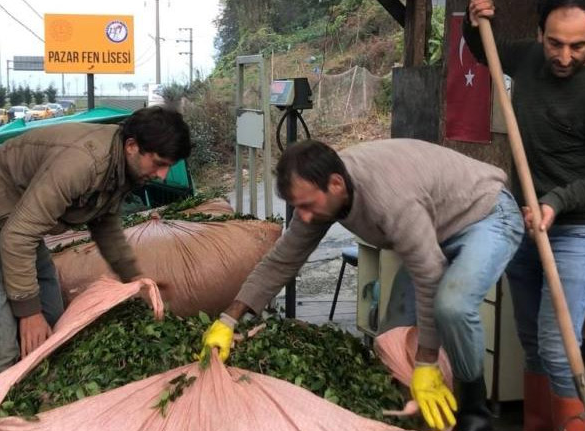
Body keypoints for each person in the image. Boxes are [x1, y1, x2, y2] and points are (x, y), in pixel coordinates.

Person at [200, 139, 524, 431]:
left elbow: (429, 274)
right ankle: (417, 420)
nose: (305, 217)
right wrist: (228, 320)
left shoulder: (390, 198)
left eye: (308, 205)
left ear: (336, 184)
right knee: (393, 339)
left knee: (451, 307)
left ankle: (474, 411)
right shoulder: (323, 193)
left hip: (486, 214)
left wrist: (426, 363)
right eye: (298, 206)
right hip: (433, 232)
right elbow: (282, 259)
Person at [0, 106, 191, 424]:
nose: (162, 175)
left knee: (55, 329)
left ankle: (29, 418)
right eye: (159, 164)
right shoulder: (84, 163)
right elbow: (16, 237)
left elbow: (105, 226)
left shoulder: (122, 167)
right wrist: (27, 312)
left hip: (18, 228)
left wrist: (137, 280)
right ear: (132, 146)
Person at [465, 1, 585, 429]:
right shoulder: (527, 57)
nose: (565, 56)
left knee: (559, 348)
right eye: (555, 43)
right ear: (539, 35)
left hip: (576, 231)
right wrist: (473, 19)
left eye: (578, 46)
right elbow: (483, 50)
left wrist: (554, 202)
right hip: (525, 224)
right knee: (532, 345)